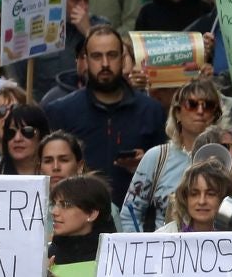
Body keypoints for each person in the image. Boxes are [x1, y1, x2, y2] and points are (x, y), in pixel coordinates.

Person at [45, 26, 169, 204]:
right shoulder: (61, 111)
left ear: (122, 58)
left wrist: (145, 165)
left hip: (137, 218)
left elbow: (166, 173)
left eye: (112, 55)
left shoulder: (151, 111)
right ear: (86, 60)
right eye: (97, 56)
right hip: (77, 214)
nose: (104, 64)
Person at [119, 76, 219, 233]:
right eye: (192, 105)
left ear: (215, 114)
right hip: (164, 252)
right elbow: (130, 214)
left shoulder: (228, 154)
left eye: (208, 105)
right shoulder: (157, 157)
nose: (200, 111)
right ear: (177, 113)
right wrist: (142, 249)